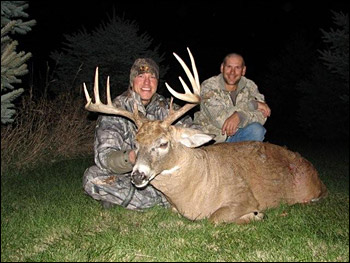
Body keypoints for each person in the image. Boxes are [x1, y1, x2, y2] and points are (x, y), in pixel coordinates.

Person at [83, 58, 196, 210]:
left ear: (157, 81)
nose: (147, 83)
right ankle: (165, 200)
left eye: (152, 77)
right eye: (141, 76)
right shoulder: (115, 109)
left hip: (165, 174)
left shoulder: (169, 109)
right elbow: (104, 157)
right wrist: (131, 157)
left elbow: (193, 138)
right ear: (132, 80)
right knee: (92, 177)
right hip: (131, 175)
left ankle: (125, 199)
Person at [194, 53, 271, 143]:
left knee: (257, 130)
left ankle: (243, 156)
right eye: (229, 67)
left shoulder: (250, 86)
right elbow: (221, 120)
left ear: (243, 70)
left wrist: (240, 116)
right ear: (222, 68)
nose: (232, 72)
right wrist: (252, 105)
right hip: (213, 141)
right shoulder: (209, 86)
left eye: (237, 68)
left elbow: (263, 115)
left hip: (238, 136)